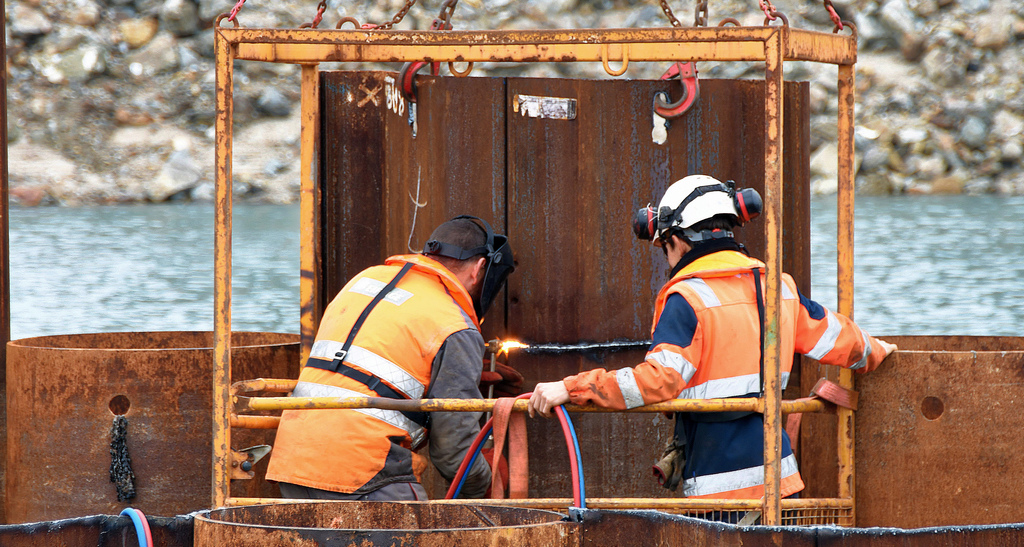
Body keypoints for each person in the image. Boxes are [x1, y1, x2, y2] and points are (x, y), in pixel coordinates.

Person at [528, 175, 897, 503]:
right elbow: (845, 341)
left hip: (720, 496)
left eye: (664, 247)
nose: (667, 257)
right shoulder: (777, 288)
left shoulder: (687, 298)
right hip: (782, 487)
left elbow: (657, 381)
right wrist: (880, 350)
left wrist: (573, 388)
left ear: (677, 240)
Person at [266, 215, 515, 500]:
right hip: (365, 476)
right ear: (481, 268)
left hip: (291, 466)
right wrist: (485, 484)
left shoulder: (363, 280)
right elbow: (453, 453)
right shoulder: (455, 324)